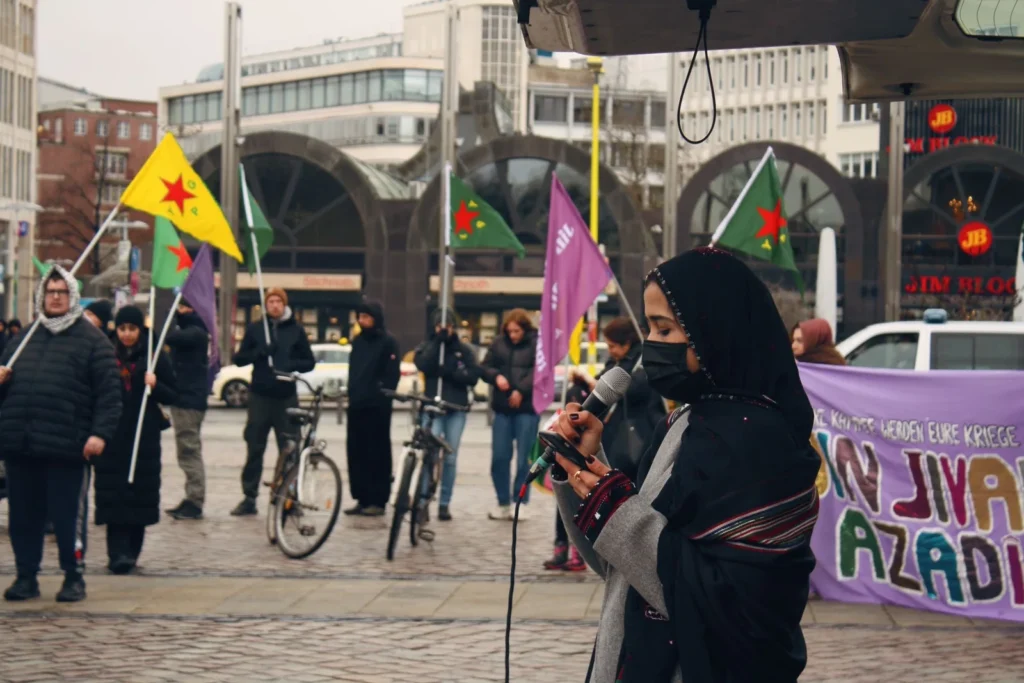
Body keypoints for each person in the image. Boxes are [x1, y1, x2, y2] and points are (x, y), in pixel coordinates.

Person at [549, 248, 820, 683]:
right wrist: (579, 467)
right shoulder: (683, 422)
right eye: (649, 327)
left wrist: (615, 506)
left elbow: (726, 599)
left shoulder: (761, 443)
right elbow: (622, 568)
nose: (652, 343)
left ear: (714, 329)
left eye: (665, 328)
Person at [0, 267, 122, 603]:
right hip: (22, 446)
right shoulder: (23, 338)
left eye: (62, 291)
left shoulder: (92, 341)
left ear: (72, 296)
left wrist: (100, 434)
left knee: (69, 517)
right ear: (42, 296)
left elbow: (110, 395)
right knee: (23, 517)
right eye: (50, 291)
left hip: (68, 447)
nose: (55, 297)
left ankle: (74, 575)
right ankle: (26, 575)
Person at [92, 306, 177, 574]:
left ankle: (132, 551)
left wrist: (154, 385)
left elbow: (173, 393)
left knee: (139, 494)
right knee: (113, 493)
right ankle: (116, 553)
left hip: (144, 436)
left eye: (132, 329)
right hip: (113, 434)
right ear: (116, 330)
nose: (127, 334)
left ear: (140, 330)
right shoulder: (105, 353)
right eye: (122, 328)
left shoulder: (153, 356)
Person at [230, 288, 315, 516]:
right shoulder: (257, 329)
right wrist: (259, 352)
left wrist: (290, 363)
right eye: (271, 301)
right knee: (255, 447)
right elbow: (238, 359)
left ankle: (288, 498)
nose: (274, 305)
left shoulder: (296, 330)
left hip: (286, 396)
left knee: (289, 448)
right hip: (260, 395)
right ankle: (249, 497)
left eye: (278, 301)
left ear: (284, 304)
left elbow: (309, 362)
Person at [412, 308, 481, 521]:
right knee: (429, 454)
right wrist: (437, 343)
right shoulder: (428, 346)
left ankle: (444, 502)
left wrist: (452, 373)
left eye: (448, 326)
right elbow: (422, 363)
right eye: (441, 326)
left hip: (455, 409)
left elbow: (472, 376)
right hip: (433, 407)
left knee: (450, 457)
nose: (445, 330)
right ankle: (423, 500)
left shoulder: (464, 350)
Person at [480, 309, 539, 521]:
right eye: (509, 331)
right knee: (500, 457)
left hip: (527, 409)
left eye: (516, 331)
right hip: (502, 409)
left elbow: (540, 371)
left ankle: (521, 501)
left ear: (524, 329)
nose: (512, 335)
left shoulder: (536, 343)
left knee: (525, 459)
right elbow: (485, 367)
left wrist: (520, 390)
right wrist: (496, 377)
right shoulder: (498, 343)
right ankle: (503, 502)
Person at [345, 299, 401, 517]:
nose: (362, 321)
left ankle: (378, 500)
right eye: (360, 317)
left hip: (377, 407)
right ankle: (361, 497)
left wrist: (380, 393)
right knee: (356, 452)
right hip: (357, 404)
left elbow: (391, 375)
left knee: (376, 453)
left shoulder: (388, 342)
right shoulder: (358, 341)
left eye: (366, 317)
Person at [163, 298, 211, 521]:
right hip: (186, 398)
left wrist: (171, 318)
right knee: (187, 450)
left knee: (189, 450)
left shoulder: (195, 331)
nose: (178, 311)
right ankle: (191, 497)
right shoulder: (193, 328)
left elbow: (170, 337)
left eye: (181, 307)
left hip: (188, 400)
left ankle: (195, 500)